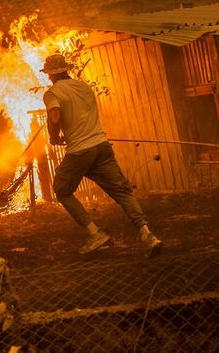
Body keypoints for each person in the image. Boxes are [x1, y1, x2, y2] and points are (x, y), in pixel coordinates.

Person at [41, 54, 163, 258]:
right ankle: (147, 234)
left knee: (62, 189)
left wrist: (54, 137)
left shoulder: (52, 93)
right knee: (122, 191)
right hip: (101, 146)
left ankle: (95, 233)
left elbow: (54, 116)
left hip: (80, 151)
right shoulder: (84, 87)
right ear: (66, 70)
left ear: (51, 75)